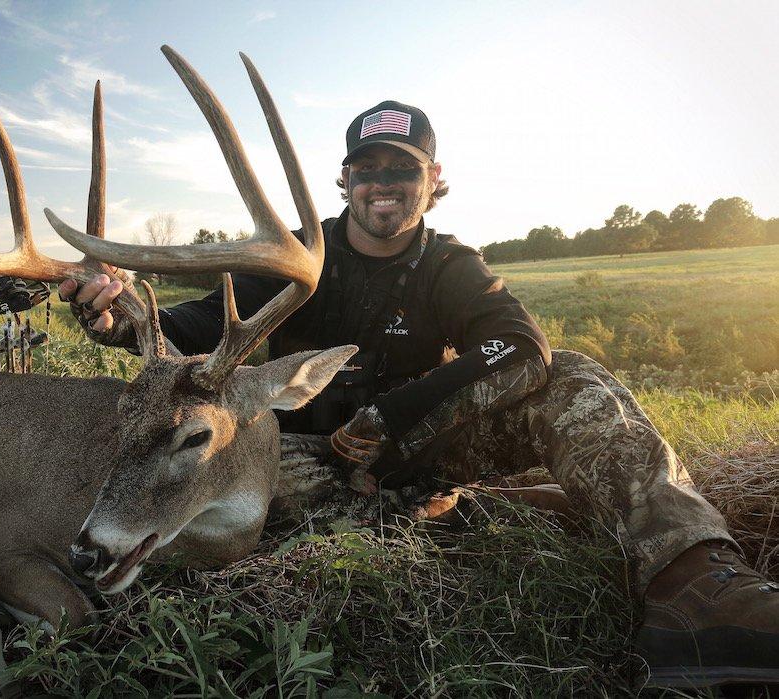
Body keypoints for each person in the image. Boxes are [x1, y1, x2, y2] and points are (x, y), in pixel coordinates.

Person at [57, 100, 779, 688]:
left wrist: (397, 417)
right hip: (310, 461)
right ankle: (482, 512)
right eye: (366, 168)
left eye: (402, 169)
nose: (383, 183)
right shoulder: (298, 259)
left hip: (428, 443)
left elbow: (522, 347)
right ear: (344, 181)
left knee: (577, 381)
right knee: (245, 481)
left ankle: (697, 584)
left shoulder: (449, 264)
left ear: (433, 179)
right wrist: (115, 313)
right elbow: (191, 336)